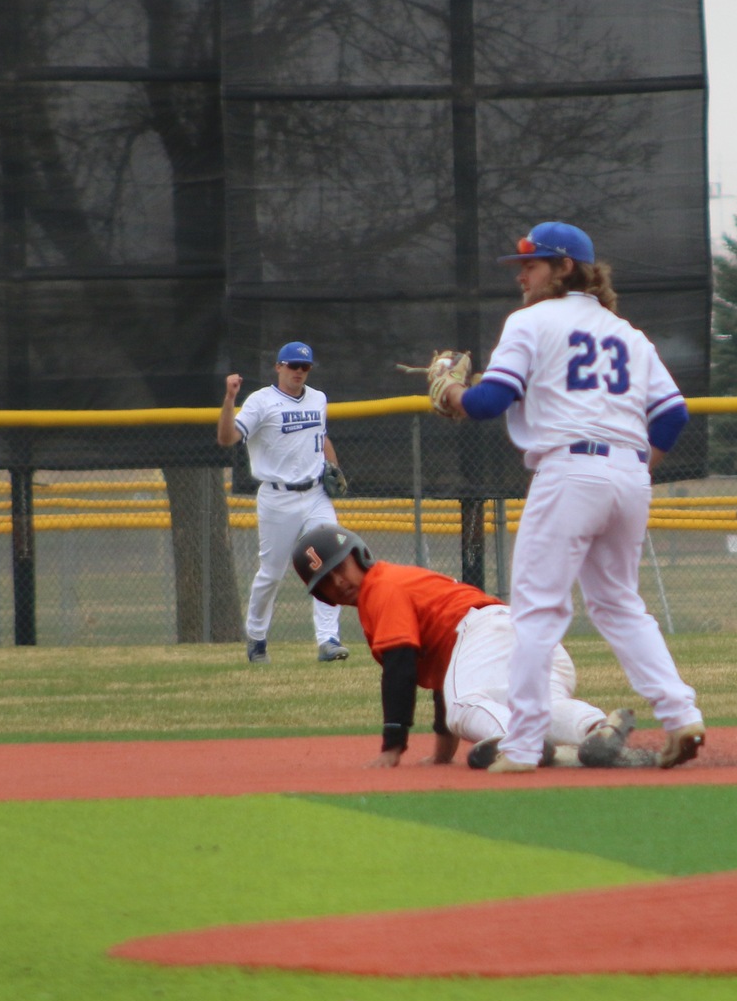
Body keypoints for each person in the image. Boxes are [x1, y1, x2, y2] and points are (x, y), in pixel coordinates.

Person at [432, 221, 707, 772]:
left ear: (566, 269)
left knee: (535, 611)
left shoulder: (530, 321)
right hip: (628, 475)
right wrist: (635, 470)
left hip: (568, 471)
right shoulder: (628, 333)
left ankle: (524, 744)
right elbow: (673, 416)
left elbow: (490, 402)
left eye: (533, 266)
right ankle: (682, 717)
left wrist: (451, 390)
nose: (523, 277)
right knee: (621, 605)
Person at [288, 523, 642, 769]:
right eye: (326, 581)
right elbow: (445, 674)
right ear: (322, 595)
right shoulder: (392, 584)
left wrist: (392, 746)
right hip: (516, 629)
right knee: (539, 704)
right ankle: (596, 729)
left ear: (358, 554)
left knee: (466, 705)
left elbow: (400, 666)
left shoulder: (380, 588)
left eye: (340, 566)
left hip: (482, 631)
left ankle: (516, 743)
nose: (338, 581)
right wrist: (443, 754)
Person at [217, 341, 349, 663]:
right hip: (277, 498)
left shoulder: (318, 398)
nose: (299, 372)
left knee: (330, 560)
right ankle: (257, 637)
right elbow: (226, 438)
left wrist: (334, 468)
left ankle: (328, 639)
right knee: (272, 573)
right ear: (278, 367)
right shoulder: (261, 402)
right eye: (293, 366)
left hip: (316, 494)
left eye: (304, 367)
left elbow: (321, 436)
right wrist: (230, 398)